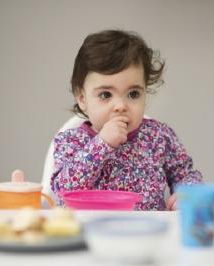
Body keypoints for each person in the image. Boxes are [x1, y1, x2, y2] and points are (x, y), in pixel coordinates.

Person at [50, 29, 202, 210]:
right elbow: (62, 192)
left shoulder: (158, 137)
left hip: (147, 233)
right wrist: (101, 144)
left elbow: (186, 175)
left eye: (133, 94)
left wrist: (188, 195)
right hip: (91, 233)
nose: (121, 106)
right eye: (105, 94)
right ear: (82, 98)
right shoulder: (70, 141)